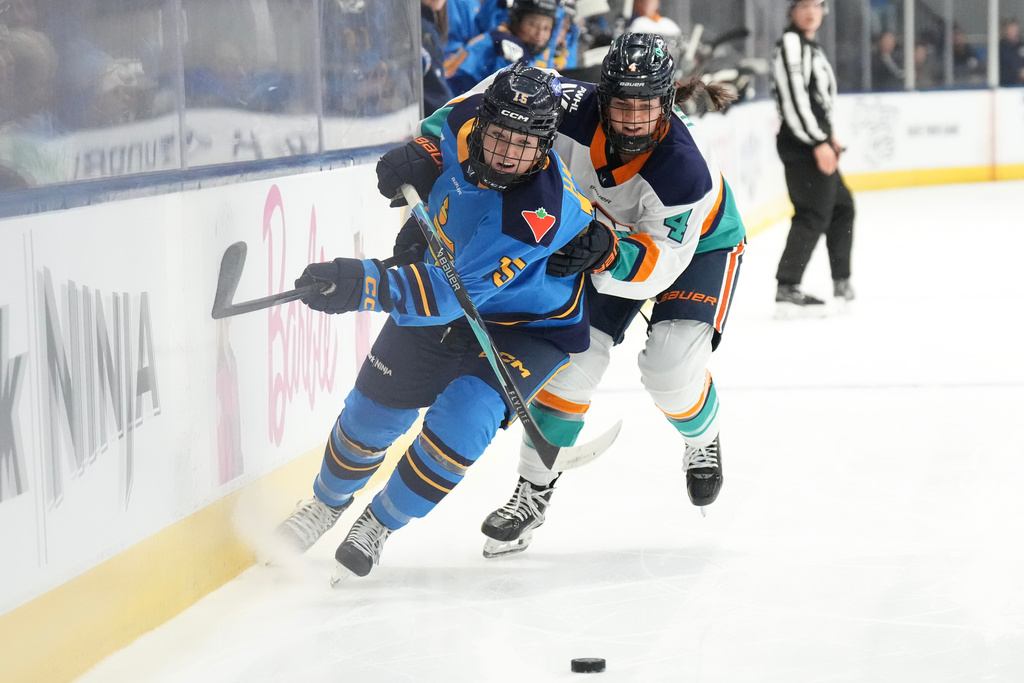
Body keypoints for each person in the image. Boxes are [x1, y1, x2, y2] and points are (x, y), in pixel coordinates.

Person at [271, 63, 616, 579]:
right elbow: (436, 140)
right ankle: (325, 504)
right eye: (499, 136)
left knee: (464, 420)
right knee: (372, 416)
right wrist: (421, 156)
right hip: (452, 288)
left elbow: (447, 294)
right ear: (484, 122)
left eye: (524, 145)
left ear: (545, 145)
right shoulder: (467, 118)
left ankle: (380, 524)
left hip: (528, 324)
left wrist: (359, 282)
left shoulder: (538, 212)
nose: (506, 153)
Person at [406, 33, 746, 556]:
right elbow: (488, 101)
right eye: (622, 102)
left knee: (670, 370)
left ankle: (702, 440)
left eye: (646, 105)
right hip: (599, 243)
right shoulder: (565, 105)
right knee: (573, 361)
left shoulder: (684, 168)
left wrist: (608, 253)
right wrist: (430, 147)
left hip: (692, 252)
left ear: (668, 102)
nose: (633, 118)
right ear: (600, 96)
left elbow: (659, 265)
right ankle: (532, 494)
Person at [771, 0, 855, 315]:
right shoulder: (792, 44)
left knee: (842, 206)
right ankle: (788, 286)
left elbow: (818, 100)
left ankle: (841, 279)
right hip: (802, 143)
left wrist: (829, 136)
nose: (811, 11)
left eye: (817, 5)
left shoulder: (809, 46)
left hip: (815, 140)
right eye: (804, 5)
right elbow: (795, 98)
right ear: (792, 11)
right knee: (812, 213)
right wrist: (818, 141)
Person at [444, 0, 559, 96]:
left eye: (546, 28)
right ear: (516, 21)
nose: (540, 34)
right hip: (451, 101)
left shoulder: (498, 36)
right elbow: (506, 97)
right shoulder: (508, 46)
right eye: (533, 24)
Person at [998, 18, 1024, 87]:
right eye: (1010, 28)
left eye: (1014, 28)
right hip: (1008, 83)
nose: (1012, 31)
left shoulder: (1022, 44)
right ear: (1005, 30)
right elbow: (1005, 65)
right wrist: (1019, 72)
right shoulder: (1001, 47)